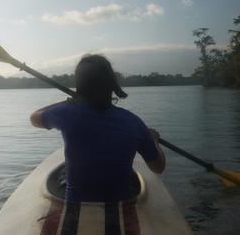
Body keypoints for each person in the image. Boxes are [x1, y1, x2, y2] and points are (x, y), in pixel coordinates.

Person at [30, 54, 165, 202]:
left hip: (76, 200)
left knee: (64, 171)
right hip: (121, 200)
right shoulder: (134, 122)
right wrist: (154, 140)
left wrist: (69, 101)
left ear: (79, 84)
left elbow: (35, 118)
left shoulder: (66, 113)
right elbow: (158, 167)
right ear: (112, 84)